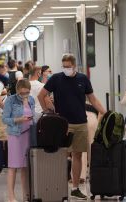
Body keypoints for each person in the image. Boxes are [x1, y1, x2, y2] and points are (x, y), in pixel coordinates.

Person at [38, 54, 106, 200]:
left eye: (68, 66)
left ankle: (75, 188)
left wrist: (104, 112)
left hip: (81, 122)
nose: (66, 69)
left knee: (77, 155)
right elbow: (41, 95)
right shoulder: (56, 78)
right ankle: (58, 186)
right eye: (64, 66)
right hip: (62, 124)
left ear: (75, 66)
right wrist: (48, 111)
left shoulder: (83, 79)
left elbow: (92, 99)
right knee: (60, 155)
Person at [2, 79, 35, 202]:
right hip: (16, 136)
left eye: (27, 92)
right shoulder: (10, 100)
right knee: (13, 166)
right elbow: (5, 119)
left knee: (25, 167)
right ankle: (11, 196)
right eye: (22, 93)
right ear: (17, 91)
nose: (24, 95)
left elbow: (33, 115)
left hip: (28, 135)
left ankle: (26, 195)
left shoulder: (31, 99)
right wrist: (18, 119)